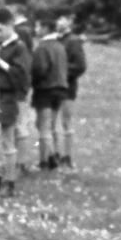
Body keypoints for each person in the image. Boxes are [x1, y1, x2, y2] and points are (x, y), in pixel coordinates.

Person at [0, 6, 30, 194]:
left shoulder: (19, 47)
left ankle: (9, 181)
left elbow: (21, 76)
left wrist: (0, 63)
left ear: (11, 25)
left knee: (7, 139)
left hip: (8, 96)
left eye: (0, 30)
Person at [30, 16, 69, 170]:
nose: (36, 30)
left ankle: (46, 159)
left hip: (45, 89)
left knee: (43, 125)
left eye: (38, 27)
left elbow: (39, 69)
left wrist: (32, 80)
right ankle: (56, 153)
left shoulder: (42, 47)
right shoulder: (60, 46)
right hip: (61, 89)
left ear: (46, 29)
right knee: (52, 124)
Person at [56, 12, 86, 167]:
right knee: (51, 122)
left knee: (66, 121)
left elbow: (80, 66)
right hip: (51, 86)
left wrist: (62, 70)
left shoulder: (73, 41)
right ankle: (54, 153)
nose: (58, 21)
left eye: (61, 18)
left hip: (67, 86)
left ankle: (67, 155)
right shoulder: (55, 39)